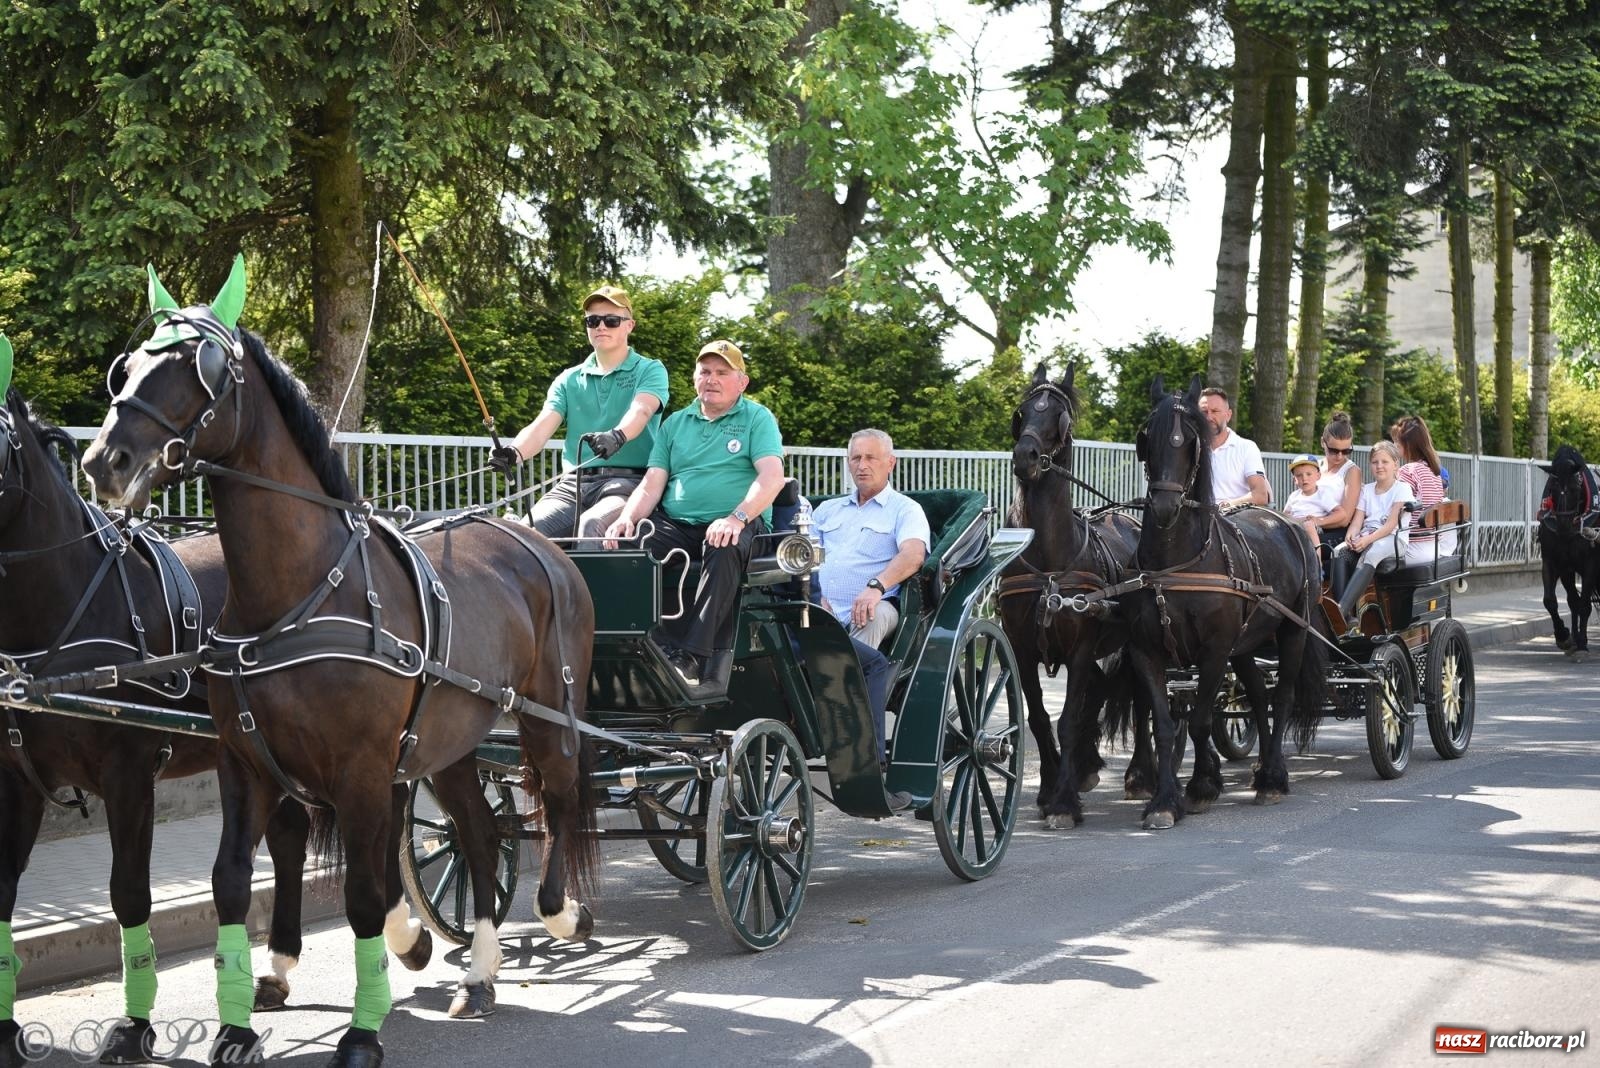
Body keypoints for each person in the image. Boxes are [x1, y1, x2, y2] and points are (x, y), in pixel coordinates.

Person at [602, 340, 787, 692]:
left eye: (722, 373)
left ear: (742, 382)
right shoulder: (675, 423)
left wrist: (736, 518)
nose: (711, 379)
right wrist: (627, 518)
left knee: (723, 544)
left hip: (737, 522)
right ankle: (628, 649)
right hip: (677, 524)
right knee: (623, 547)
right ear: (694, 378)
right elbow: (652, 484)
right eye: (705, 372)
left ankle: (691, 657)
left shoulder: (757, 418)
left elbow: (772, 477)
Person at [489, 285, 668, 542]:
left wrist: (617, 435)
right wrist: (513, 452)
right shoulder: (568, 379)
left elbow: (642, 410)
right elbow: (542, 426)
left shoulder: (650, 370)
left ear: (629, 326)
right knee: (522, 534)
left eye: (611, 320)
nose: (601, 326)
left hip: (628, 484)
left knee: (591, 525)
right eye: (592, 321)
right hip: (573, 486)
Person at [812, 429, 931, 650]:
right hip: (819, 606)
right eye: (856, 458)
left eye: (870, 458)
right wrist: (814, 596)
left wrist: (876, 587)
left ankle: (851, 673)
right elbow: (804, 556)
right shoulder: (827, 510)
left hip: (878, 604)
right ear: (848, 464)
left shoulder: (905, 509)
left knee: (871, 615)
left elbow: (914, 555)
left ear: (890, 463)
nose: (862, 465)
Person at [1331, 440, 1415, 625]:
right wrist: (1351, 535)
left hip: (1393, 539)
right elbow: (1357, 521)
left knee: (1372, 552)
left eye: (1385, 462)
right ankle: (1347, 615)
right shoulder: (1367, 490)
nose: (1379, 466)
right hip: (1367, 536)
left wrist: (1367, 540)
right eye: (1375, 462)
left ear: (1395, 465)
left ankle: (1340, 612)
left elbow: (1390, 525)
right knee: (1339, 551)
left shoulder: (1402, 488)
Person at [1393, 415, 1458, 560]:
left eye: (1397, 441)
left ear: (1408, 444)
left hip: (1412, 548)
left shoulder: (1407, 471)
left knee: (1364, 553)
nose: (1394, 444)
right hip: (1433, 547)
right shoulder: (1434, 472)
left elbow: (1394, 510)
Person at [1199, 387, 1269, 509]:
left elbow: (1260, 495)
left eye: (1215, 411)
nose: (1208, 417)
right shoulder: (1189, 448)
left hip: (1235, 516)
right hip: (1196, 517)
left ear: (1228, 415)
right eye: (1204, 412)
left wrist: (1227, 505)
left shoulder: (1246, 448)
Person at [1315, 410, 1363, 547]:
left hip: (1337, 532)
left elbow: (1344, 519)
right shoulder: (1314, 467)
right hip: (1309, 525)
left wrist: (1315, 522)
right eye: (1334, 450)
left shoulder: (1352, 471)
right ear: (1323, 442)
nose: (1340, 456)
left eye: (1346, 451)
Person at [1283, 453, 1342, 546]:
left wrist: (1319, 521)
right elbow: (1285, 515)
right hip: (1296, 526)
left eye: (1309, 474)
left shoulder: (1322, 494)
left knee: (1308, 525)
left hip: (1314, 528)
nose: (1304, 478)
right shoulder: (1294, 496)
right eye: (1299, 475)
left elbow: (1341, 513)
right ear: (1294, 480)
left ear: (1318, 476)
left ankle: (1316, 555)